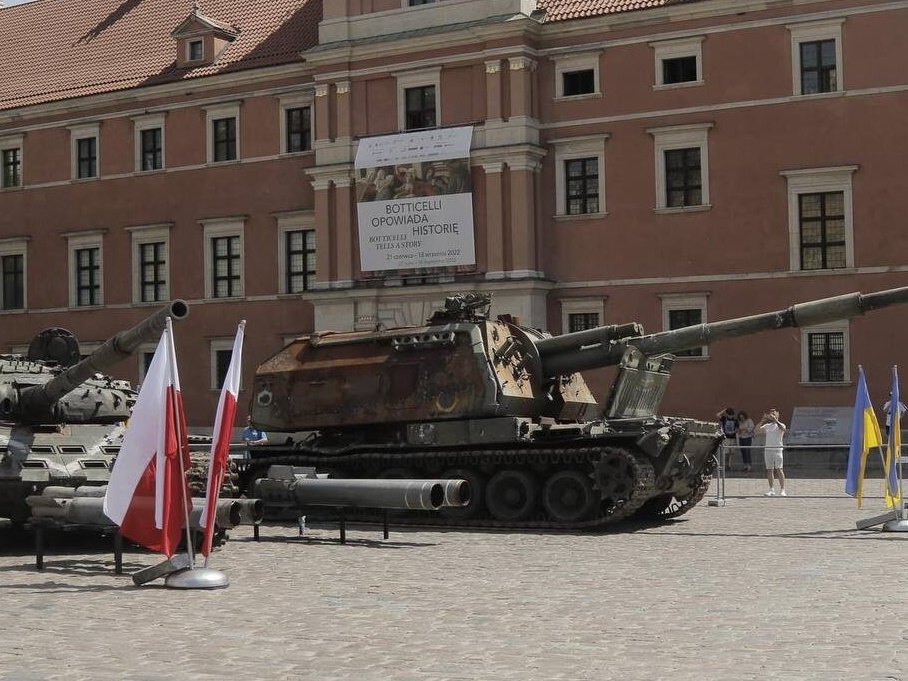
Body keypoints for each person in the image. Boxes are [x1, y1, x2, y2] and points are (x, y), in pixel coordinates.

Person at [757, 408, 787, 496]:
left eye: (774, 413)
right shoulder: (767, 426)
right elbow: (756, 431)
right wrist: (762, 421)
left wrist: (776, 421)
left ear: (778, 415)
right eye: (771, 414)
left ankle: (782, 490)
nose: (772, 415)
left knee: (779, 469)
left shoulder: (781, 424)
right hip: (768, 450)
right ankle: (771, 490)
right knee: (769, 470)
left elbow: (783, 429)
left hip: (777, 450)